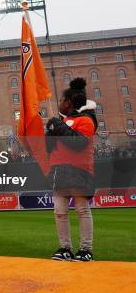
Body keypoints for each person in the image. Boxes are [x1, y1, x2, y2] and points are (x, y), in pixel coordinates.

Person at [46, 78, 97, 262]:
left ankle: (86, 249)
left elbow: (78, 143)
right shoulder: (63, 121)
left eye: (61, 100)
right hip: (59, 170)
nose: (59, 103)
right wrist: (49, 132)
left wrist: (57, 126)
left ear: (68, 102)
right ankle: (65, 247)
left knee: (82, 210)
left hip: (80, 170)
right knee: (59, 212)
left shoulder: (85, 120)